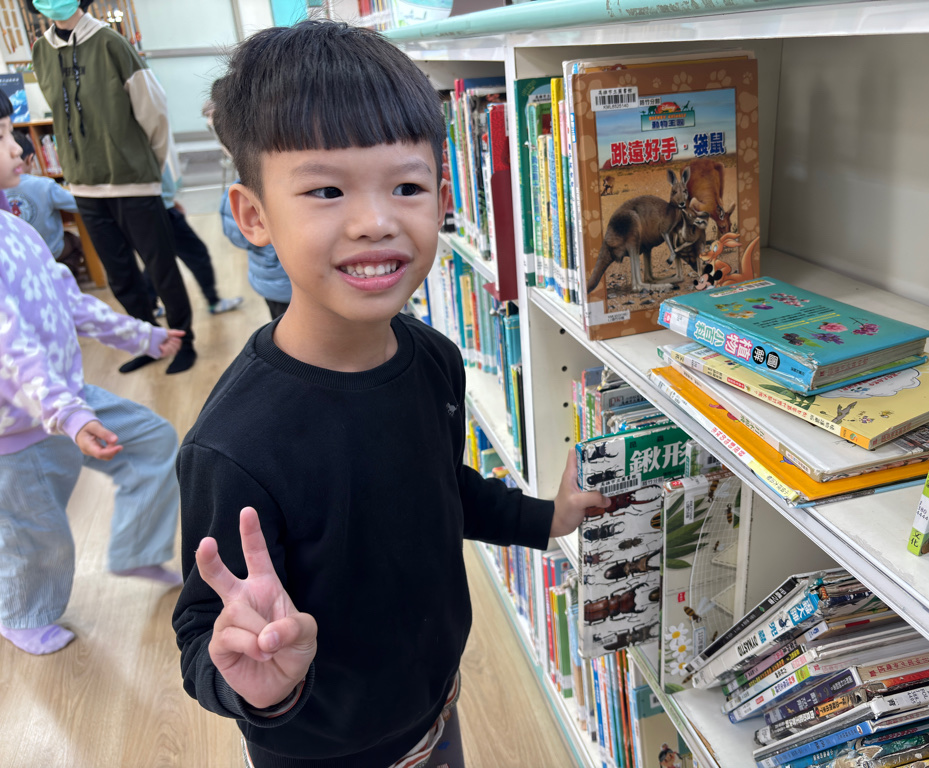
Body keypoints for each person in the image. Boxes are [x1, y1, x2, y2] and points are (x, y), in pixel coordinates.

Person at [172, 20, 609, 768]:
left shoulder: (434, 361)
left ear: (442, 196)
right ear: (253, 217)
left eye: (406, 187)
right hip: (318, 750)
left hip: (434, 709)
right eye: (325, 190)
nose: (375, 222)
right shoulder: (234, 447)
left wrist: (550, 518)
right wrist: (261, 687)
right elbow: (204, 630)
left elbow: (442, 489)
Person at [0, 91, 186, 656]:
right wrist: (70, 415)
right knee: (39, 538)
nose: (20, 149)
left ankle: (138, 549)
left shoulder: (17, 230)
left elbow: (71, 302)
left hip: (67, 398)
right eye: (3, 138)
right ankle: (22, 614)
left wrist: (143, 336)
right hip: (19, 431)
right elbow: (11, 347)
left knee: (154, 441)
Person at [29, 0, 196, 375]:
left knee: (161, 268)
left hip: (134, 181)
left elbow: (154, 110)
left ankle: (185, 342)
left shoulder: (110, 43)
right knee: (120, 275)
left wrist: (148, 166)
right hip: (84, 186)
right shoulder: (41, 51)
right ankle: (149, 341)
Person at [143, 147, 244, 317]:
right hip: (160, 210)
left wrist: (169, 200)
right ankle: (213, 302)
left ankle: (150, 305)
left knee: (157, 259)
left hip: (161, 205)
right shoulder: (139, 143)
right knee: (196, 254)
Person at [7, 130, 87, 282]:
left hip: (17, 259)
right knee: (74, 241)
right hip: (51, 252)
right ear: (30, 159)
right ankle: (62, 277)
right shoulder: (45, 185)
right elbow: (78, 204)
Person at [220, 183, 290, 320]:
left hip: (268, 280)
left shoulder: (242, 187)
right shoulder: (251, 192)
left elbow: (238, 238)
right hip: (286, 283)